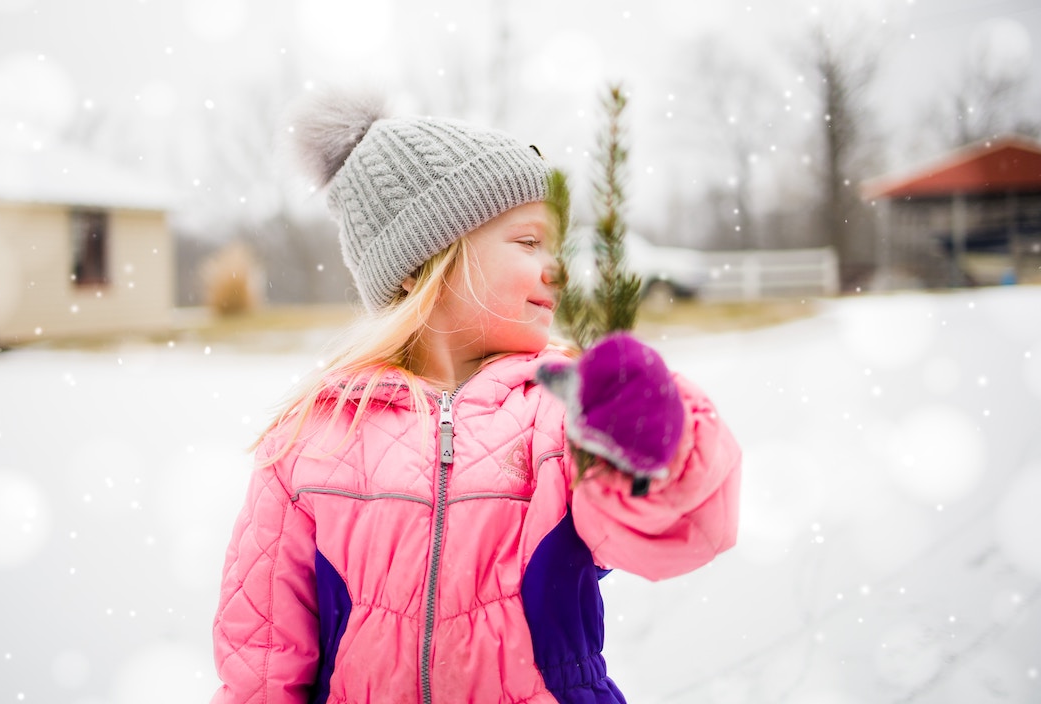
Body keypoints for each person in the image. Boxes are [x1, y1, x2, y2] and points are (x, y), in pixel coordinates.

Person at [211, 90, 742, 704]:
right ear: (423, 263)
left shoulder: (559, 419)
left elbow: (686, 521)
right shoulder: (313, 440)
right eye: (527, 243)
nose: (559, 269)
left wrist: (657, 431)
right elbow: (263, 661)